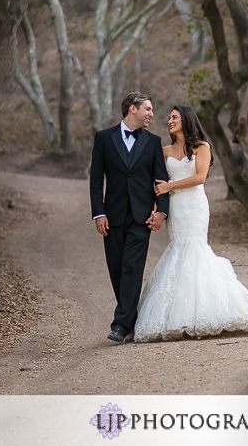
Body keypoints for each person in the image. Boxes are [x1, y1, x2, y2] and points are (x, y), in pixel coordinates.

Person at [134, 105, 248, 342]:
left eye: (174, 117)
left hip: (195, 205)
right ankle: (177, 315)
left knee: (195, 249)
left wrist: (170, 186)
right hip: (176, 208)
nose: (169, 121)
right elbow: (158, 182)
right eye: (169, 118)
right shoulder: (164, 150)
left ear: (186, 120)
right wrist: (157, 209)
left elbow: (200, 177)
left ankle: (211, 311)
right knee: (178, 249)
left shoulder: (202, 147)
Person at [89, 92, 169, 343]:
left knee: (132, 267)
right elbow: (95, 180)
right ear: (132, 109)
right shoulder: (103, 138)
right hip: (111, 216)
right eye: (147, 109)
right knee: (116, 269)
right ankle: (130, 320)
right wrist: (98, 212)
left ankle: (120, 325)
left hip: (141, 216)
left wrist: (161, 211)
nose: (151, 114)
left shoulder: (154, 142)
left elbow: (161, 180)